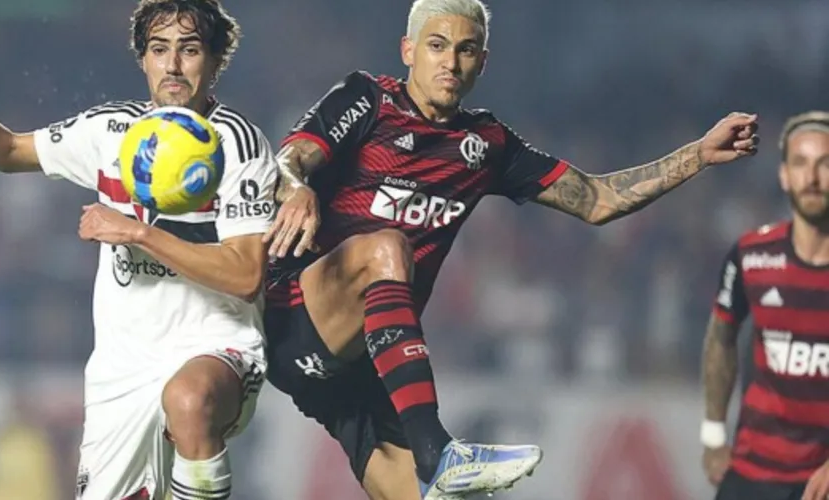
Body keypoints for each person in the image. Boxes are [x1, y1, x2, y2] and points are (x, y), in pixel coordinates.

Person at [261, 0, 760, 498]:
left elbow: (597, 199)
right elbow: (291, 158)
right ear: (408, 50)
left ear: (483, 61)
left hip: (363, 363)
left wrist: (698, 154)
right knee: (386, 248)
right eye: (436, 46)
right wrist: (297, 185)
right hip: (299, 318)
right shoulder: (367, 99)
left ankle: (434, 462)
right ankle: (438, 450)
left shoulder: (488, 143)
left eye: (466, 50)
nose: (450, 63)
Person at [0, 1, 278, 499]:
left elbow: (245, 274)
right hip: (122, 370)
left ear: (213, 62)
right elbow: (8, 150)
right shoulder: (111, 131)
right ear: (143, 59)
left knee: (189, 400)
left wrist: (139, 233)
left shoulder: (238, 144)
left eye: (189, 51)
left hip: (216, 345)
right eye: (159, 49)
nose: (172, 65)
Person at [700, 111, 829, 500]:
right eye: (801, 163)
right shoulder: (752, 256)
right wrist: (712, 434)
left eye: (825, 164)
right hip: (752, 475)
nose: (812, 177)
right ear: (784, 175)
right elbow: (721, 337)